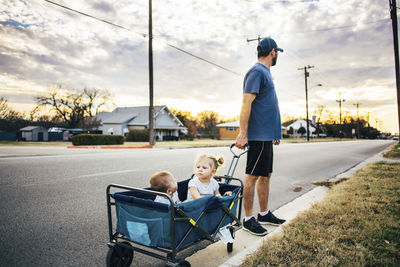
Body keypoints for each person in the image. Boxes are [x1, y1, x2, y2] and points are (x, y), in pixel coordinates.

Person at [235, 37, 286, 236]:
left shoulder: (265, 73)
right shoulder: (256, 72)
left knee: (266, 175)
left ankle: (263, 213)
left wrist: (275, 132)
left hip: (267, 135)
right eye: (277, 52)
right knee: (252, 176)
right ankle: (248, 219)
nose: (277, 55)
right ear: (273, 52)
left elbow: (267, 106)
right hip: (257, 136)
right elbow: (246, 103)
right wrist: (243, 133)